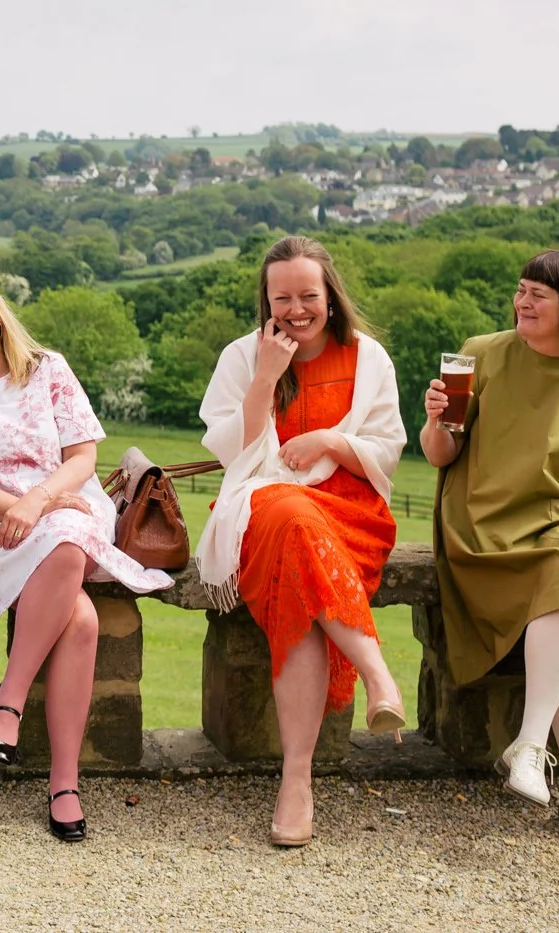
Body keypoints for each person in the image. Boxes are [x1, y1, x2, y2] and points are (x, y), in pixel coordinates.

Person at [0, 266, 171, 842]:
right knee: (79, 619)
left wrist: (38, 500)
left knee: (64, 534)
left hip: (65, 501)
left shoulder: (48, 369)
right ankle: (64, 783)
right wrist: (15, 507)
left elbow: (82, 458)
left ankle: (10, 699)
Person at [195, 237, 407, 848]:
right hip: (264, 506)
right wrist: (266, 376)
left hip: (350, 513)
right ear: (266, 299)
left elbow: (388, 447)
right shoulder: (242, 356)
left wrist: (332, 444)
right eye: (281, 296)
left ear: (329, 296)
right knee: (288, 514)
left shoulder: (369, 358)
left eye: (307, 295)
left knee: (302, 590)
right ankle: (377, 676)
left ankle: (297, 782)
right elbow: (234, 451)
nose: (295, 308)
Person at [423, 249, 559, 853]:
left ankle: (538, 752)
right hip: (482, 521)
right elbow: (441, 455)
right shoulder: (482, 353)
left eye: (539, 294)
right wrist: (440, 421)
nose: (523, 302)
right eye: (520, 290)